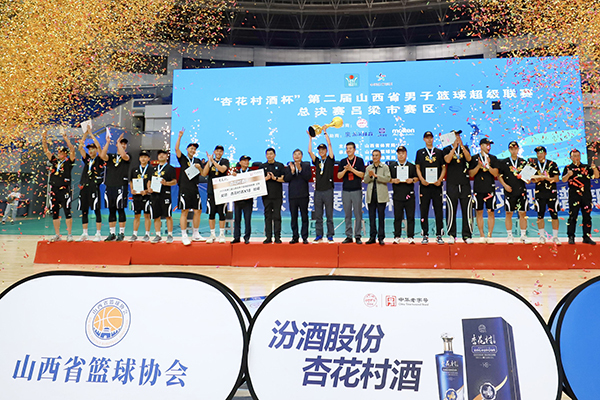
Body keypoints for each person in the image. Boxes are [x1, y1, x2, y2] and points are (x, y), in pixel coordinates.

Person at [42, 128, 76, 242]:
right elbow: (46, 150)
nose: (59, 153)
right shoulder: (54, 161)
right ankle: (57, 235)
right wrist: (44, 138)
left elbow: (72, 150)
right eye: (58, 152)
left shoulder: (69, 162)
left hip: (65, 190)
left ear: (65, 154)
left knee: (67, 212)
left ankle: (69, 234)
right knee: (55, 213)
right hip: (54, 189)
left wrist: (66, 138)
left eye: (61, 152)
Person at [562, 149, 599, 245]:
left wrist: (594, 168)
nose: (576, 158)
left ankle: (586, 237)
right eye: (574, 156)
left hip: (586, 195)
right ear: (570, 157)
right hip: (574, 196)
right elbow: (563, 180)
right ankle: (571, 236)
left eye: (578, 156)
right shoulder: (568, 168)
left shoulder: (586, 167)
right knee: (572, 216)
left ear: (580, 156)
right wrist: (568, 175)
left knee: (587, 216)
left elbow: (596, 176)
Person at [415, 131, 446, 244]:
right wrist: (422, 179)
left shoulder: (439, 152)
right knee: (424, 210)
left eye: (430, 138)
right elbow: (417, 167)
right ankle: (425, 234)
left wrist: (440, 179)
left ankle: (439, 234)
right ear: (424, 139)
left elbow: (443, 168)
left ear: (433, 139)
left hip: (437, 186)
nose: (429, 139)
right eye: (427, 138)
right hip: (424, 186)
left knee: (438, 210)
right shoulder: (420, 152)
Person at [175, 129, 205, 246]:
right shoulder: (183, 158)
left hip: (194, 188)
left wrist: (199, 167)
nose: (193, 150)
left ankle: (195, 233)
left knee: (198, 210)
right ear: (187, 149)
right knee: (184, 211)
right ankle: (184, 235)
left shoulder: (197, 160)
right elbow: (176, 149)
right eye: (191, 148)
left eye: (194, 149)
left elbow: (203, 174)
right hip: (184, 188)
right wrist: (179, 137)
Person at [99, 130, 130, 242]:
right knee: (111, 210)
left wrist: (118, 142)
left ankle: (121, 233)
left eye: (124, 144)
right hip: (110, 186)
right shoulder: (111, 156)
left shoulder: (127, 156)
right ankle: (112, 233)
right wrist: (108, 142)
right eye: (121, 143)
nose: (123, 145)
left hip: (121, 186)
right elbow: (102, 156)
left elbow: (123, 155)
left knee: (120, 209)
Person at [443, 130, 473, 244]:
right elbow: (447, 160)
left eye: (458, 136)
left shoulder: (465, 148)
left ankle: (467, 235)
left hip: (464, 183)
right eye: (455, 136)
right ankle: (452, 234)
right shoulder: (446, 149)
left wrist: (462, 146)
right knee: (451, 209)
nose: (457, 138)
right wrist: (454, 148)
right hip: (452, 183)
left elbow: (469, 159)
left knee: (467, 209)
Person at [497, 141, 530, 244]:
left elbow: (528, 180)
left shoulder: (523, 162)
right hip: (509, 191)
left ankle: (523, 235)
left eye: (515, 149)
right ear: (509, 150)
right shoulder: (504, 162)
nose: (514, 151)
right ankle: (510, 235)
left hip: (521, 191)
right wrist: (505, 185)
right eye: (512, 149)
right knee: (509, 213)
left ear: (518, 149)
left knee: (522, 213)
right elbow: (499, 176)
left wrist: (525, 178)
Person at [77, 128, 105, 242]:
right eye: (89, 149)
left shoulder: (100, 159)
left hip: (94, 187)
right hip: (84, 187)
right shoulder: (87, 159)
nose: (90, 151)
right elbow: (80, 147)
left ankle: (98, 234)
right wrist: (85, 134)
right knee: (84, 210)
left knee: (97, 210)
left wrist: (91, 134)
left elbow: (99, 147)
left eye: (92, 149)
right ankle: (85, 233)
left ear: (96, 150)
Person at [469, 138, 499, 243]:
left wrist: (488, 165)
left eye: (490, 145)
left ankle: (489, 235)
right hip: (478, 188)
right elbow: (471, 174)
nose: (488, 147)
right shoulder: (474, 158)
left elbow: (496, 173)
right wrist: (478, 166)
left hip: (490, 188)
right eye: (486, 145)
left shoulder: (493, 158)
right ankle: (481, 235)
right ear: (481, 146)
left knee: (491, 212)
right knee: (479, 212)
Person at [308, 129, 335, 243]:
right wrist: (310, 138)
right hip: (318, 191)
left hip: (328, 190)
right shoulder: (317, 161)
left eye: (323, 149)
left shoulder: (330, 160)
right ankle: (319, 235)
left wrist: (325, 133)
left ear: (326, 151)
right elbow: (309, 151)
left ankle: (330, 235)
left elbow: (330, 144)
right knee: (318, 215)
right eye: (320, 150)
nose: (322, 151)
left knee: (329, 215)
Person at [531, 146, 561, 244]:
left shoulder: (552, 164)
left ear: (545, 153)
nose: (539, 155)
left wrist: (546, 178)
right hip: (539, 193)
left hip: (551, 193)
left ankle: (555, 237)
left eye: (541, 153)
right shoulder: (533, 165)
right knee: (540, 215)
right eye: (537, 153)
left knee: (554, 215)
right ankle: (542, 236)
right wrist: (538, 178)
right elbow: (530, 179)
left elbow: (556, 179)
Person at [337, 142, 366, 244]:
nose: (348, 150)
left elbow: (362, 174)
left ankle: (357, 236)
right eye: (347, 148)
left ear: (354, 149)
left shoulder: (359, 160)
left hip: (356, 190)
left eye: (350, 148)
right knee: (347, 214)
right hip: (346, 190)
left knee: (358, 214)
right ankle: (349, 236)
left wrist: (351, 169)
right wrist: (346, 170)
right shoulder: (342, 161)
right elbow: (339, 176)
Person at [389, 146, 418, 244]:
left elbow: (416, 178)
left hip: (409, 195)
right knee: (397, 217)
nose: (401, 155)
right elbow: (388, 178)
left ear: (406, 154)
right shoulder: (392, 166)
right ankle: (397, 236)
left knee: (410, 216)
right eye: (399, 153)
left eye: (403, 153)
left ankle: (411, 236)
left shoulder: (411, 166)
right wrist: (393, 180)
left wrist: (412, 180)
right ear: (397, 155)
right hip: (397, 195)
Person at [202, 145, 230, 243]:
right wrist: (209, 161)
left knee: (222, 213)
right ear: (214, 152)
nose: (218, 153)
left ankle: (221, 234)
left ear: (222, 153)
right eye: (217, 151)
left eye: (220, 151)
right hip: (211, 191)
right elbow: (204, 173)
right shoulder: (210, 162)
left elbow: (222, 170)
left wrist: (213, 162)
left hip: (222, 192)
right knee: (211, 213)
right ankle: (212, 234)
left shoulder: (225, 161)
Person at [149, 149, 177, 243]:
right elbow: (149, 181)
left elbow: (174, 181)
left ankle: (170, 235)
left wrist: (166, 183)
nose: (161, 156)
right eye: (159, 154)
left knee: (168, 215)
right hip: (154, 195)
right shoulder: (153, 169)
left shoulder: (170, 168)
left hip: (165, 194)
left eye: (163, 154)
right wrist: (149, 188)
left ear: (166, 156)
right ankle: (158, 235)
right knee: (156, 216)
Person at [284, 149, 312, 244]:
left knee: (304, 216)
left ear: (302, 156)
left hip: (303, 195)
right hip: (293, 196)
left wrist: (300, 169)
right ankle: (295, 237)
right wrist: (292, 172)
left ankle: (304, 237)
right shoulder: (289, 165)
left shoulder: (306, 165)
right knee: (293, 217)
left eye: (298, 154)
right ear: (293, 156)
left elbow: (308, 177)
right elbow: (286, 179)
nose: (297, 156)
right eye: (295, 154)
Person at [363, 149, 391, 245]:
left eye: (376, 155)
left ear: (380, 156)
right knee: (372, 217)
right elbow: (365, 180)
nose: (375, 157)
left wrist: (376, 176)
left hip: (381, 195)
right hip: (371, 195)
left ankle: (381, 237)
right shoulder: (368, 167)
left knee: (381, 217)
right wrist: (370, 176)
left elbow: (388, 178)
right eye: (373, 155)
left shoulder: (385, 167)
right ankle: (372, 237)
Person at [260, 148, 285, 244]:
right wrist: (265, 178)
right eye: (268, 154)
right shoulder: (262, 166)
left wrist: (275, 178)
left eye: (271, 154)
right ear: (266, 155)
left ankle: (277, 237)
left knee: (277, 216)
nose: (269, 155)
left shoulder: (280, 165)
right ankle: (268, 237)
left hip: (277, 195)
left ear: (274, 155)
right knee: (268, 216)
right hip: (266, 196)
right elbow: (258, 180)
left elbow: (284, 179)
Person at [128, 151, 153, 242]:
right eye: (142, 157)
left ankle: (147, 234)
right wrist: (132, 190)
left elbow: (152, 182)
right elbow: (131, 181)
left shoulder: (151, 169)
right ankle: (134, 234)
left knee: (147, 215)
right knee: (136, 215)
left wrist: (146, 191)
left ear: (148, 159)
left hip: (147, 196)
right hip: (137, 196)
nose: (143, 158)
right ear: (139, 158)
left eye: (145, 157)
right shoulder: (134, 169)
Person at [231, 155, 253, 244]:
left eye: (247, 161)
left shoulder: (252, 173)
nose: (246, 162)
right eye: (244, 160)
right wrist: (232, 177)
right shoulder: (235, 173)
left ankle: (247, 237)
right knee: (237, 219)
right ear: (240, 162)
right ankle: (236, 237)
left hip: (248, 200)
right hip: (238, 200)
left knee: (247, 219)